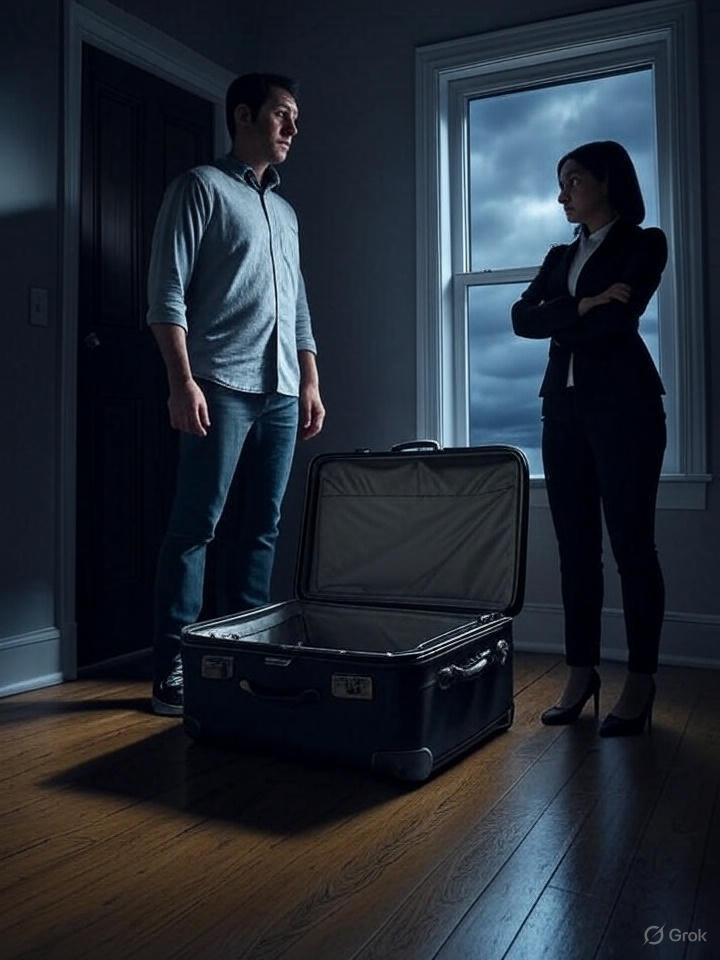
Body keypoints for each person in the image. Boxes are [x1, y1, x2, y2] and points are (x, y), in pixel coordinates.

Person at [146, 72, 325, 716]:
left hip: (281, 390)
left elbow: (298, 304)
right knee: (196, 527)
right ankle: (172, 666)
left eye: (295, 117)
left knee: (261, 530)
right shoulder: (200, 188)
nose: (292, 129)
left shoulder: (286, 211)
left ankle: (242, 661)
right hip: (218, 384)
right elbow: (166, 293)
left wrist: (309, 379)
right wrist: (181, 381)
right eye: (282, 114)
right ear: (243, 116)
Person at [512, 140, 667, 737]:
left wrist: (572, 311)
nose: (562, 195)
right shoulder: (559, 256)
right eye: (561, 182)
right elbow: (521, 320)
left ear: (606, 179)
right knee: (576, 551)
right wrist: (584, 302)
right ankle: (582, 673)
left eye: (573, 180)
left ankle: (642, 680)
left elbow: (617, 322)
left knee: (633, 547)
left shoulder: (644, 243)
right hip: (563, 412)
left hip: (626, 409)